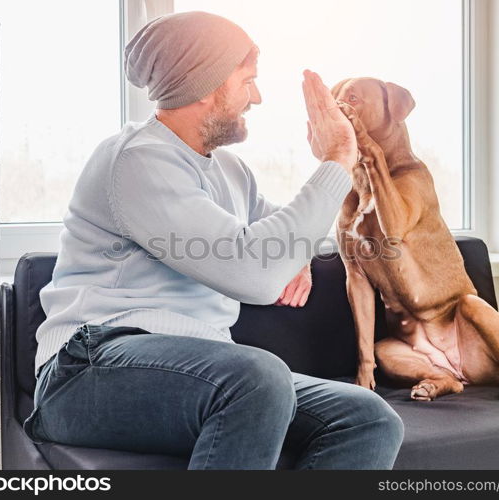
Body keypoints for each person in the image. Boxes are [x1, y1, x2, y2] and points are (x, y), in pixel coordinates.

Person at [23, 10, 404, 470]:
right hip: (89, 368)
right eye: (248, 81)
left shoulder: (230, 171)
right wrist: (339, 157)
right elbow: (259, 271)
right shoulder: (138, 161)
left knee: (366, 418)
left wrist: (295, 252)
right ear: (206, 86)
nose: (257, 97)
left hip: (200, 369)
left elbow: (283, 237)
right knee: (257, 376)